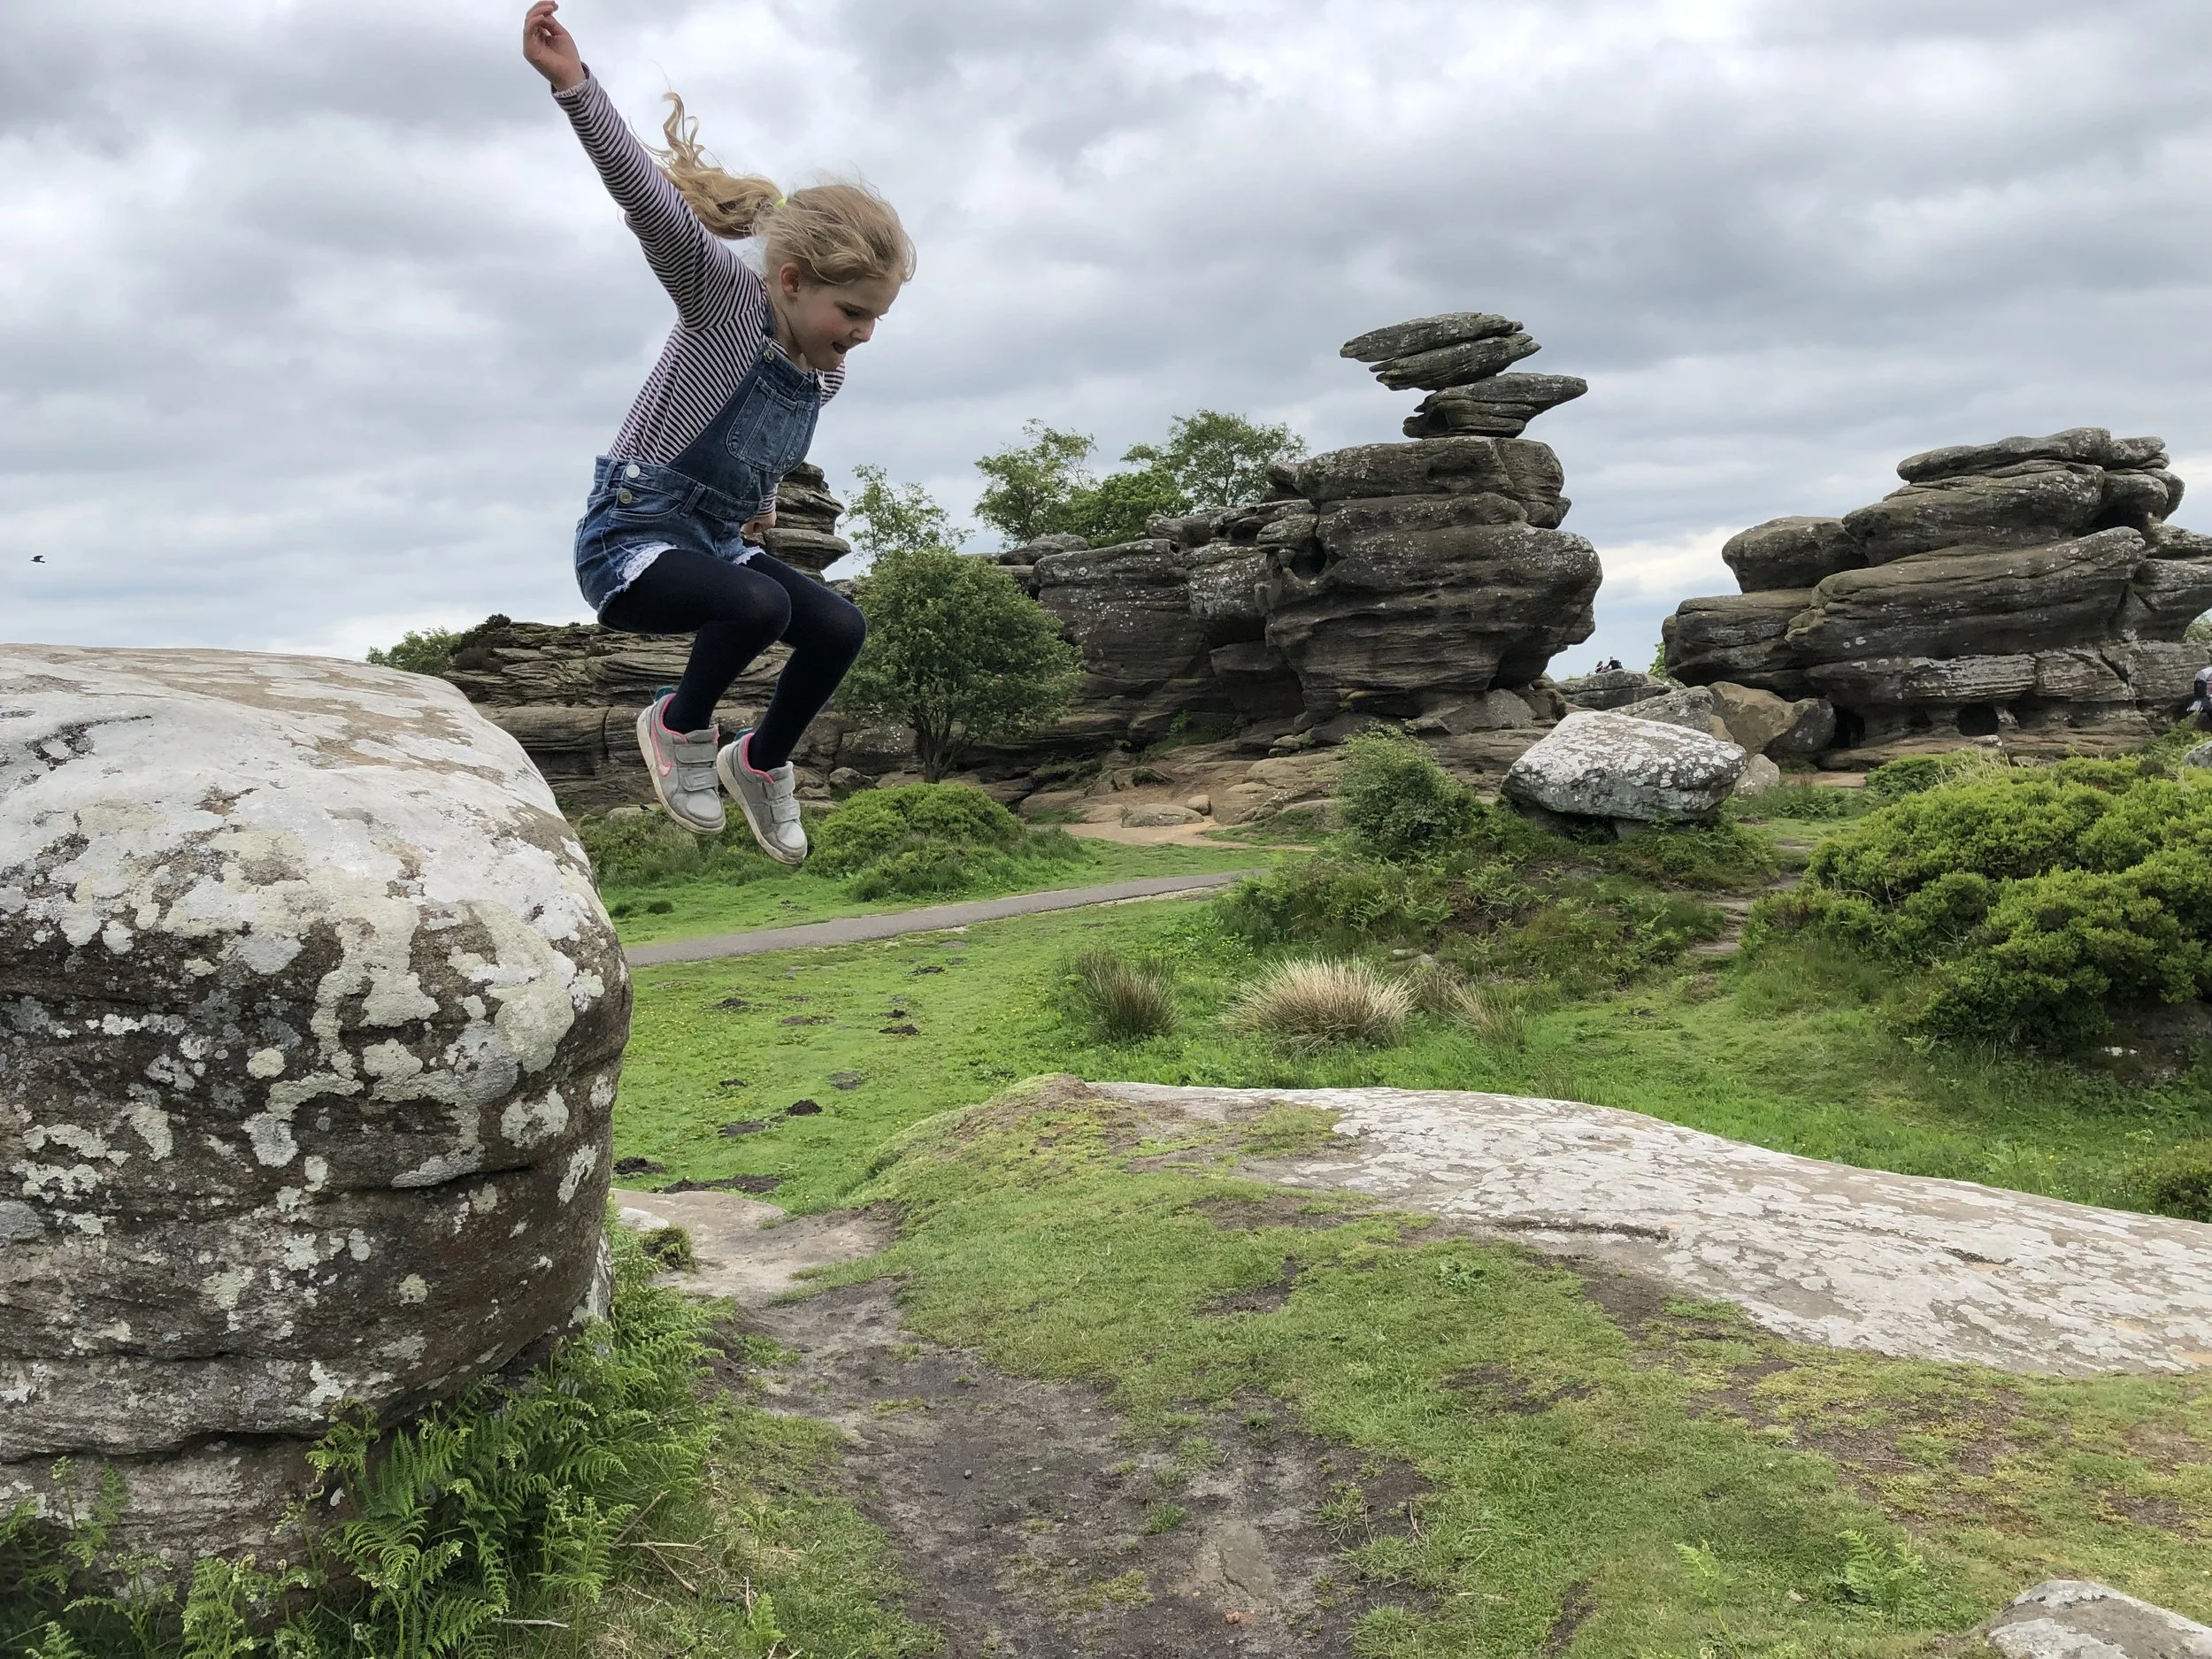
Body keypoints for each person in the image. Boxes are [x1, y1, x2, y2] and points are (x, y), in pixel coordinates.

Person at [522, 1, 911, 860]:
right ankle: (678, 724)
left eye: (876, 317)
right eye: (853, 312)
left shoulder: (825, 371)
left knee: (840, 627)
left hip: (714, 545)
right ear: (791, 280)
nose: (863, 334)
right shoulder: (721, 301)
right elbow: (647, 199)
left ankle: (761, 763)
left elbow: (765, 447)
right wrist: (575, 87)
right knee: (761, 604)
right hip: (631, 543)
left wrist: (761, 502)